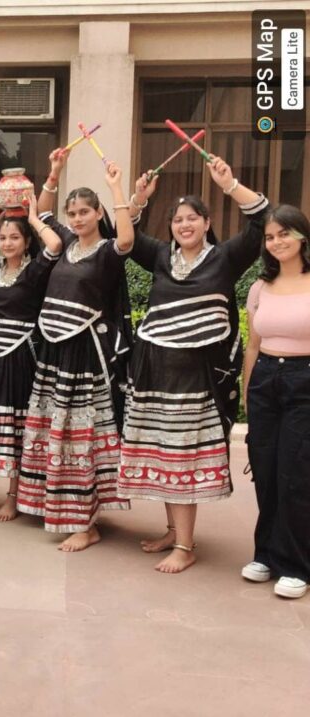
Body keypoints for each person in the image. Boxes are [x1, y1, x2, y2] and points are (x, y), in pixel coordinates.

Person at [118, 157, 268, 573]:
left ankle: (185, 546)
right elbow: (123, 237)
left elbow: (263, 222)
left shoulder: (225, 258)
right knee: (166, 456)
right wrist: (137, 200)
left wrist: (230, 184)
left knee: (184, 458)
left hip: (197, 383)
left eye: (192, 218)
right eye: (178, 219)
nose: (184, 225)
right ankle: (173, 531)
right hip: (156, 377)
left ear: (206, 223)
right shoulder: (161, 257)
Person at [18, 155, 134, 551]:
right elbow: (45, 213)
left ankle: (86, 522)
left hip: (85, 355)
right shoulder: (65, 243)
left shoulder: (106, 251)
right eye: (73, 213)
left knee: (79, 435)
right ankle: (55, 506)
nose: (78, 218)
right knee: (54, 429)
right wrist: (53, 171)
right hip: (54, 351)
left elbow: (127, 240)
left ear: (98, 212)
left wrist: (116, 185)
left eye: (85, 211)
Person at [0, 195, 62, 521]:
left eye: (14, 237)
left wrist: (34, 218)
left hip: (21, 355)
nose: (7, 243)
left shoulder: (34, 270)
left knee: (20, 427)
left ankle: (15, 495)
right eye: (3, 238)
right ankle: (16, 492)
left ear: (26, 241)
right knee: (4, 427)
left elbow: (56, 244)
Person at [242, 204, 310, 600]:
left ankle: (296, 565)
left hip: (305, 379)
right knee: (266, 470)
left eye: (284, 233)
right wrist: (250, 391)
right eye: (270, 237)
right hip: (266, 379)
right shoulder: (260, 287)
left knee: (296, 473)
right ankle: (266, 554)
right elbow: (253, 345)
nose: (276, 242)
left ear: (302, 237)